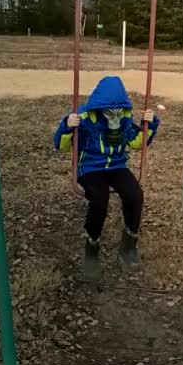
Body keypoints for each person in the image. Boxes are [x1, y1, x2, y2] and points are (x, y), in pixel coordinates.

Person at [54, 76, 160, 280]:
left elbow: (137, 143)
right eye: (108, 111)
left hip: (116, 165)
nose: (114, 116)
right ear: (98, 107)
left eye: (118, 111)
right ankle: (92, 247)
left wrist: (149, 125)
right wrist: (67, 126)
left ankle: (128, 247)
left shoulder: (125, 119)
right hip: (90, 167)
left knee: (134, 194)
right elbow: (61, 146)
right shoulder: (84, 119)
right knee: (99, 197)